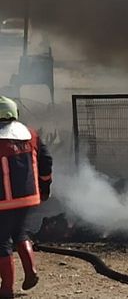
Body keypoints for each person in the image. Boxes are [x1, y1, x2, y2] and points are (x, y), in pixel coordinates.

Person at [0, 97, 52, 298]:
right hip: (27, 199)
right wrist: (45, 187)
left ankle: (6, 289)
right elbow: (46, 162)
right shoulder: (30, 135)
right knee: (20, 233)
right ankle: (31, 272)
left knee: (2, 242)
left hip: (2, 201)